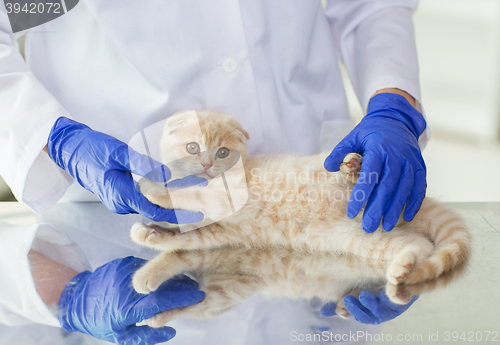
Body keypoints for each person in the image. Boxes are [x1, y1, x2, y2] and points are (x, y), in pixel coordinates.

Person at [0, 0, 428, 343]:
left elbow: (369, 5)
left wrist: (394, 102)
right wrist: (49, 135)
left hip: (308, 197)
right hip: (117, 200)